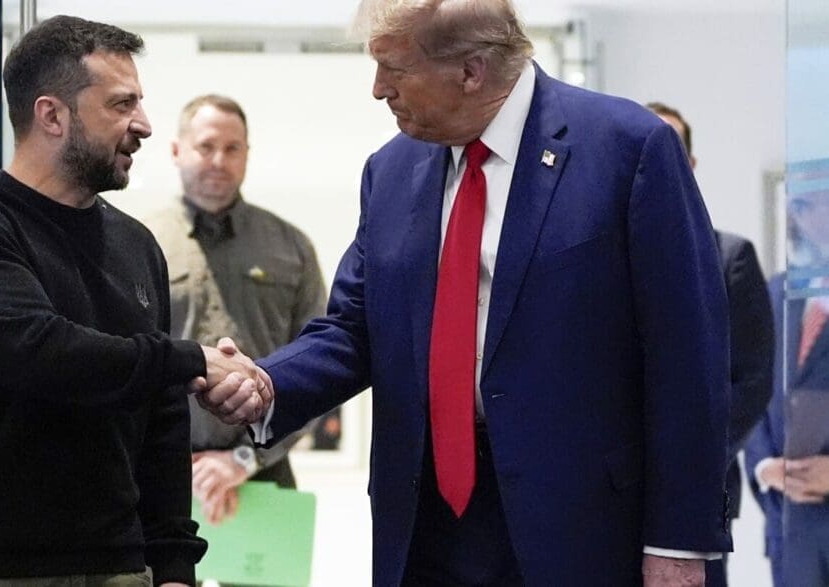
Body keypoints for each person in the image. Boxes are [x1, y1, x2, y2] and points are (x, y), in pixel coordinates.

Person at [203, 0, 734, 584]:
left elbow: (687, 358)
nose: (378, 89)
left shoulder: (628, 149)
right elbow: (355, 327)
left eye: (394, 68)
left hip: (581, 529)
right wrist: (268, 383)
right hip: (427, 526)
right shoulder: (391, 172)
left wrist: (680, 544)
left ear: (471, 70)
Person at [0, 16, 267, 587]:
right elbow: (42, 354)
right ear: (52, 115)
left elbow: (162, 423)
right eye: (121, 105)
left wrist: (173, 567)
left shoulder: (136, 245)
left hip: (119, 567)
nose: (143, 125)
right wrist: (193, 360)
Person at [144, 94, 328, 524]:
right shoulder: (139, 243)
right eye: (206, 147)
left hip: (264, 477)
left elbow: (317, 369)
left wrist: (244, 460)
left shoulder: (291, 247)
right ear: (177, 150)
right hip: (160, 476)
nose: (219, 161)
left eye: (233, 149)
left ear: (247, 154)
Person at [646, 102, 774, 563]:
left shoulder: (731, 256)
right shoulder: (599, 256)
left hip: (702, 488)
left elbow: (753, 381)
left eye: (669, 149)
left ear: (690, 163)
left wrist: (690, 459)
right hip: (609, 493)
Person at [745, 194, 829, 587]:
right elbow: (750, 389)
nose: (818, 215)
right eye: (805, 205)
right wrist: (764, 467)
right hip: (789, 524)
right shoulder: (775, 293)